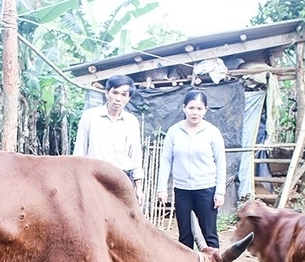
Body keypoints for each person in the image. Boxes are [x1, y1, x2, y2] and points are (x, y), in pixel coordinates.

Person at [156, 90, 226, 248]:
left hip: (206, 189)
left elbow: (221, 162)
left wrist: (220, 191)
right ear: (184, 108)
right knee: (185, 234)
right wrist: (162, 188)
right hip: (182, 190)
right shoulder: (174, 131)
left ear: (206, 110)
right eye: (191, 108)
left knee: (209, 234)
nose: (195, 112)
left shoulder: (212, 132)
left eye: (199, 109)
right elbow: (166, 160)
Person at [73, 74, 143, 202]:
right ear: (106, 93)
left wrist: (139, 188)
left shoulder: (132, 122)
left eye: (123, 95)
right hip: (94, 177)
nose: (118, 99)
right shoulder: (90, 117)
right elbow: (79, 151)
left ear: (129, 98)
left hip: (122, 178)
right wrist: (78, 183)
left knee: (121, 219)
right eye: (115, 93)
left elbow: (135, 156)